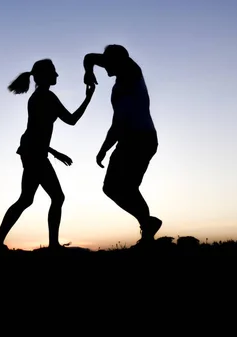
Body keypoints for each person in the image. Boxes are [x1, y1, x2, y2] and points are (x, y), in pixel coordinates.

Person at [0, 59, 95, 251]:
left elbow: (37, 132)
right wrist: (88, 98)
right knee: (56, 197)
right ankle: (53, 245)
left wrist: (53, 152)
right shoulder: (46, 97)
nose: (57, 75)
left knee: (26, 199)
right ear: (44, 75)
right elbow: (71, 120)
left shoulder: (40, 96)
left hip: (32, 151)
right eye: (54, 72)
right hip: (34, 153)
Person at [83, 44, 162, 245]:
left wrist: (104, 148)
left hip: (139, 139)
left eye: (107, 63)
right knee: (118, 188)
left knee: (120, 187)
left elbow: (118, 124)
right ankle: (147, 226)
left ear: (118, 62)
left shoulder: (131, 74)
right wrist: (88, 72)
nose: (104, 67)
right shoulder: (120, 79)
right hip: (135, 139)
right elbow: (90, 57)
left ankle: (147, 228)